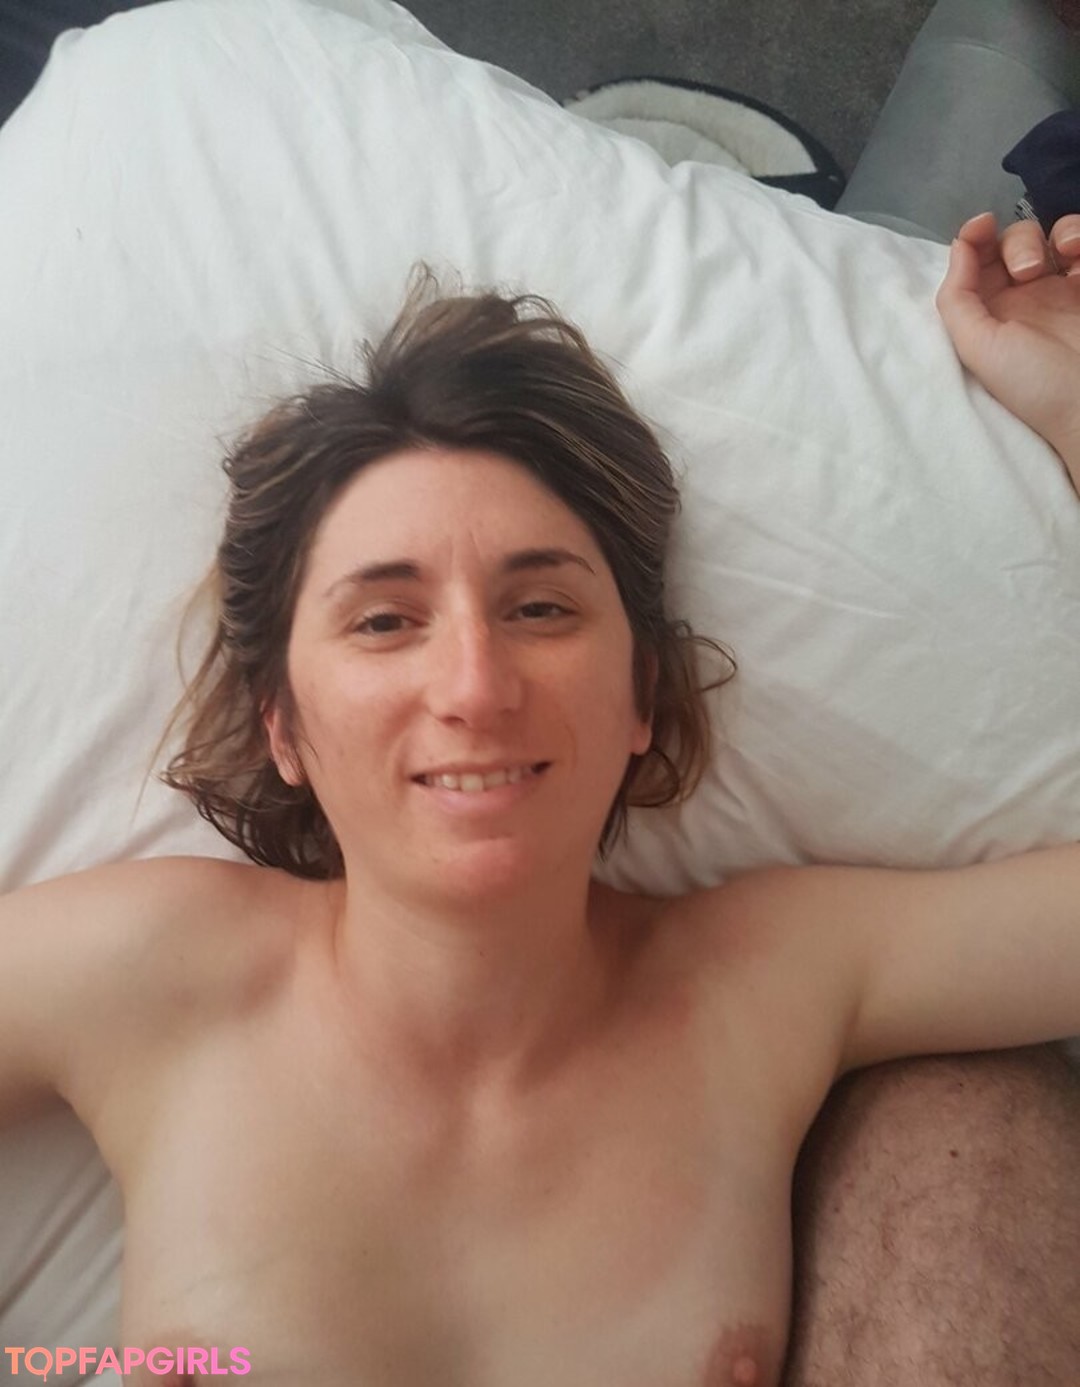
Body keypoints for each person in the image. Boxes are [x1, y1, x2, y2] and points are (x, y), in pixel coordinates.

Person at [1, 210, 1079, 1387]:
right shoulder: (153, 972)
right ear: (284, 725)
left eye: (541, 608)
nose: (475, 685)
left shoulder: (767, 981)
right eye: (385, 621)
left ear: (641, 699)